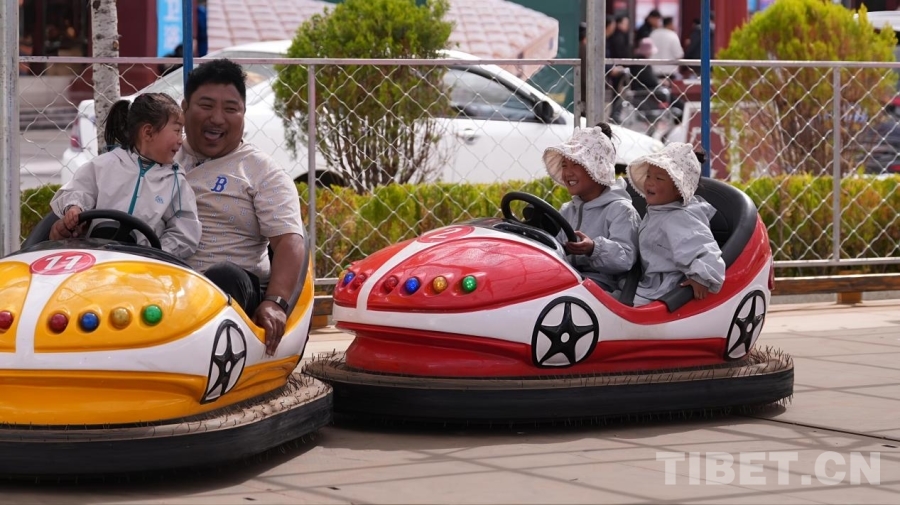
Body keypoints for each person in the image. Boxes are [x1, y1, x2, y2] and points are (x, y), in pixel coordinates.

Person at [176, 59, 306, 355]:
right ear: (185, 108)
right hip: (163, 282)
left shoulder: (261, 171)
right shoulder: (161, 157)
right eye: (206, 106)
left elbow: (290, 241)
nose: (217, 118)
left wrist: (275, 302)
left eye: (230, 109)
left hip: (232, 289)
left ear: (243, 114)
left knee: (223, 277)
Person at [49, 93, 201, 259]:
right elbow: (79, 189)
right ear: (148, 133)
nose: (181, 140)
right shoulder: (104, 165)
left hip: (144, 266)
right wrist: (74, 208)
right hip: (95, 258)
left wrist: (158, 253)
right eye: (177, 131)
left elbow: (185, 231)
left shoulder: (175, 182)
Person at [542, 124, 640, 293]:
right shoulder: (567, 210)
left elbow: (625, 259)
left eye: (576, 165)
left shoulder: (620, 210)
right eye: (564, 165)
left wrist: (594, 249)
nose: (568, 173)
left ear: (597, 169)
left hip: (603, 288)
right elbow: (555, 249)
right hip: (569, 278)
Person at [625, 143, 725, 306]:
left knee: (612, 305)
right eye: (648, 176)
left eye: (659, 178)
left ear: (679, 188)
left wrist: (701, 277)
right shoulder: (658, 211)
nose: (649, 182)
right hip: (648, 282)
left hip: (665, 290)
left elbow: (706, 250)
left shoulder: (680, 219)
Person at [649, 16, 684, 80]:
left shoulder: (653, 34)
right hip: (669, 72)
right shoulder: (672, 35)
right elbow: (679, 54)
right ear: (670, 24)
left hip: (653, 71)